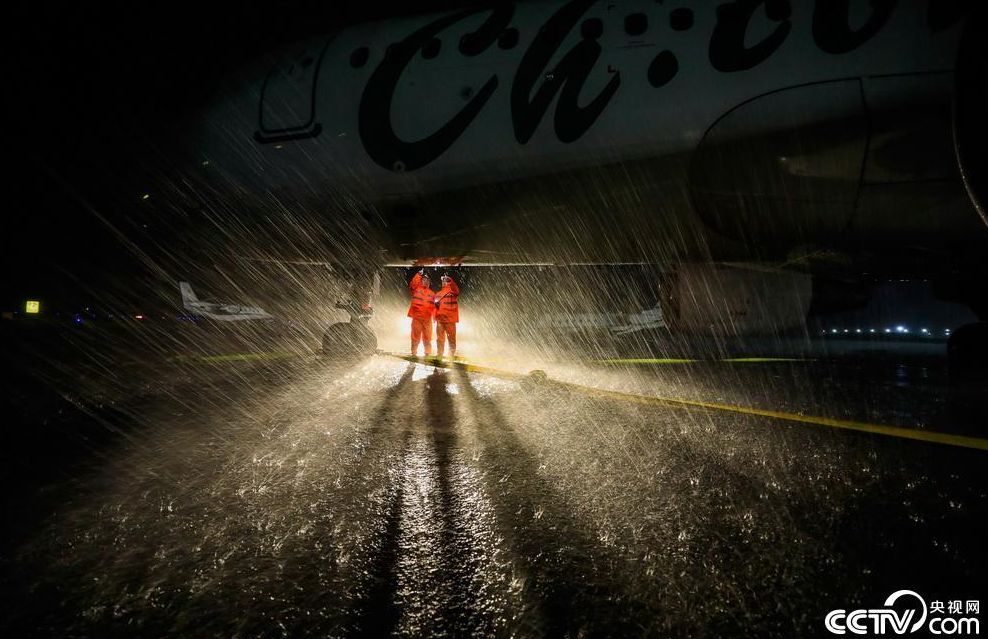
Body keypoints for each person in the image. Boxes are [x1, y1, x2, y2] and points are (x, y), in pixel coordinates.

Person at [407, 269, 435, 356]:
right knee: (415, 338)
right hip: (417, 318)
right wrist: (418, 274)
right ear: (421, 280)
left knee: (427, 338)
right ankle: (414, 353)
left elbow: (434, 307)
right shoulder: (416, 289)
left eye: (427, 280)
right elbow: (413, 284)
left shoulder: (432, 293)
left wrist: (435, 317)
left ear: (429, 282)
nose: (425, 281)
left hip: (427, 320)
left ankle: (428, 353)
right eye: (424, 279)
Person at [434, 273, 460, 360]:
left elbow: (456, 290)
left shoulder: (452, 291)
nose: (444, 282)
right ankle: (439, 355)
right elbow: (435, 308)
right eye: (443, 281)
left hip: (450, 320)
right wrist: (435, 317)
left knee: (451, 339)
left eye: (445, 281)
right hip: (440, 321)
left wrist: (450, 281)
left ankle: (451, 355)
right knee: (439, 339)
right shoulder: (438, 294)